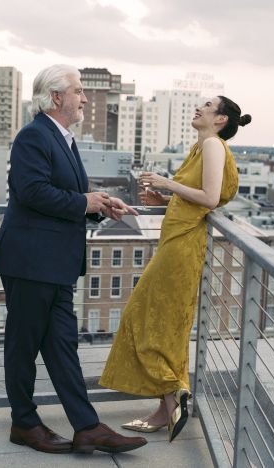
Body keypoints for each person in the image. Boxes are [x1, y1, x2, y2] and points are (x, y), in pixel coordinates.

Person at [0, 64, 147, 455]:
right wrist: (84, 202)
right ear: (56, 97)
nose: (85, 98)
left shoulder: (63, 138)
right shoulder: (33, 136)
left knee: (62, 346)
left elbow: (66, 194)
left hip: (55, 264)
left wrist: (100, 206)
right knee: (22, 346)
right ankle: (24, 423)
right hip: (30, 261)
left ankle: (87, 426)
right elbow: (31, 192)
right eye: (78, 91)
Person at [99, 96, 251, 442]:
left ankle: (173, 391)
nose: (199, 107)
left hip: (182, 247)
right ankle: (168, 406)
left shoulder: (212, 145)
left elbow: (210, 198)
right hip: (177, 240)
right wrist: (166, 200)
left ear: (220, 119)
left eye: (207, 105)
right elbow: (195, 198)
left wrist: (168, 183)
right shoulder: (201, 148)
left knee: (144, 318)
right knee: (164, 324)